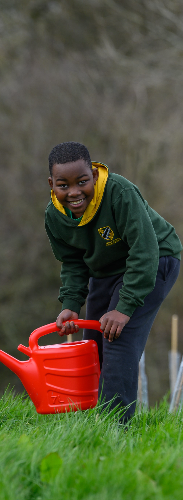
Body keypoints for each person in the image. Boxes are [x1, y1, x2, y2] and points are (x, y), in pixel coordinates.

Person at [45, 141, 182, 422]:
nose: (73, 192)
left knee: (117, 339)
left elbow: (145, 250)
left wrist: (125, 307)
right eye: (63, 185)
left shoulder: (120, 192)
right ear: (52, 184)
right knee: (92, 345)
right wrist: (71, 304)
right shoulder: (55, 217)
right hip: (106, 270)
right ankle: (88, 420)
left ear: (94, 176)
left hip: (156, 259)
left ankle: (113, 429)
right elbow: (73, 262)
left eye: (82, 181)